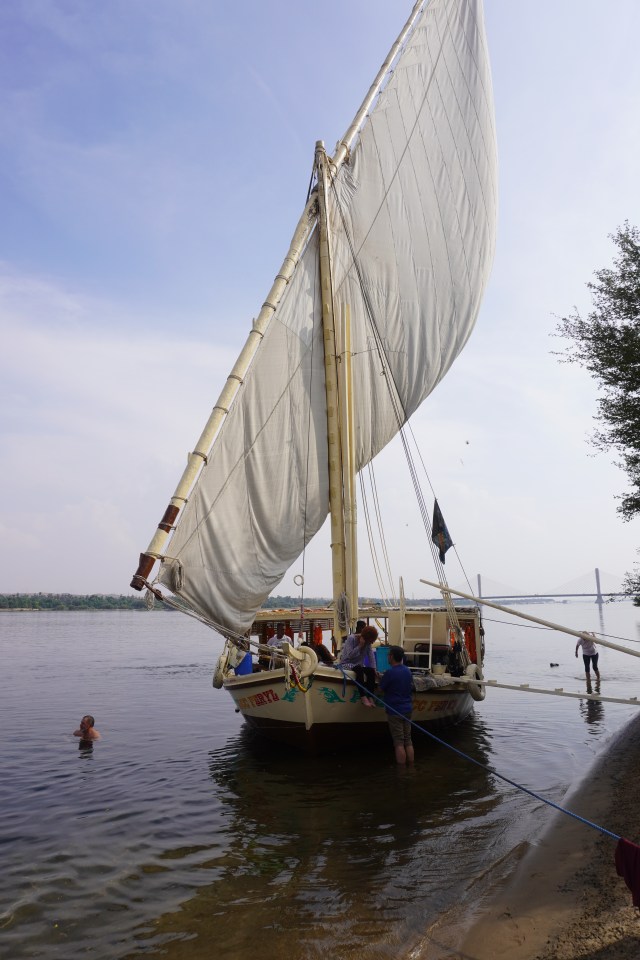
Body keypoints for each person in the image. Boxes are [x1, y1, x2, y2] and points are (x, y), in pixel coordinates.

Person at [379, 646, 414, 764]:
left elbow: (381, 688)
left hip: (395, 711)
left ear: (392, 657)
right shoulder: (407, 671)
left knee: (399, 742)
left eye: (389, 655)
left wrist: (380, 679)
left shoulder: (389, 673)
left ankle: (402, 771)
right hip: (407, 709)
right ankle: (411, 766)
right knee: (408, 740)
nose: (388, 657)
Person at [339, 621, 377, 706]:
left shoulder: (368, 643)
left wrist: (374, 668)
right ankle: (363, 696)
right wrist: (360, 645)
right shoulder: (351, 638)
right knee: (359, 670)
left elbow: (371, 656)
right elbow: (350, 655)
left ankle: (370, 695)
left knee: (370, 671)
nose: (371, 643)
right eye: (370, 641)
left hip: (358, 664)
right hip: (347, 663)